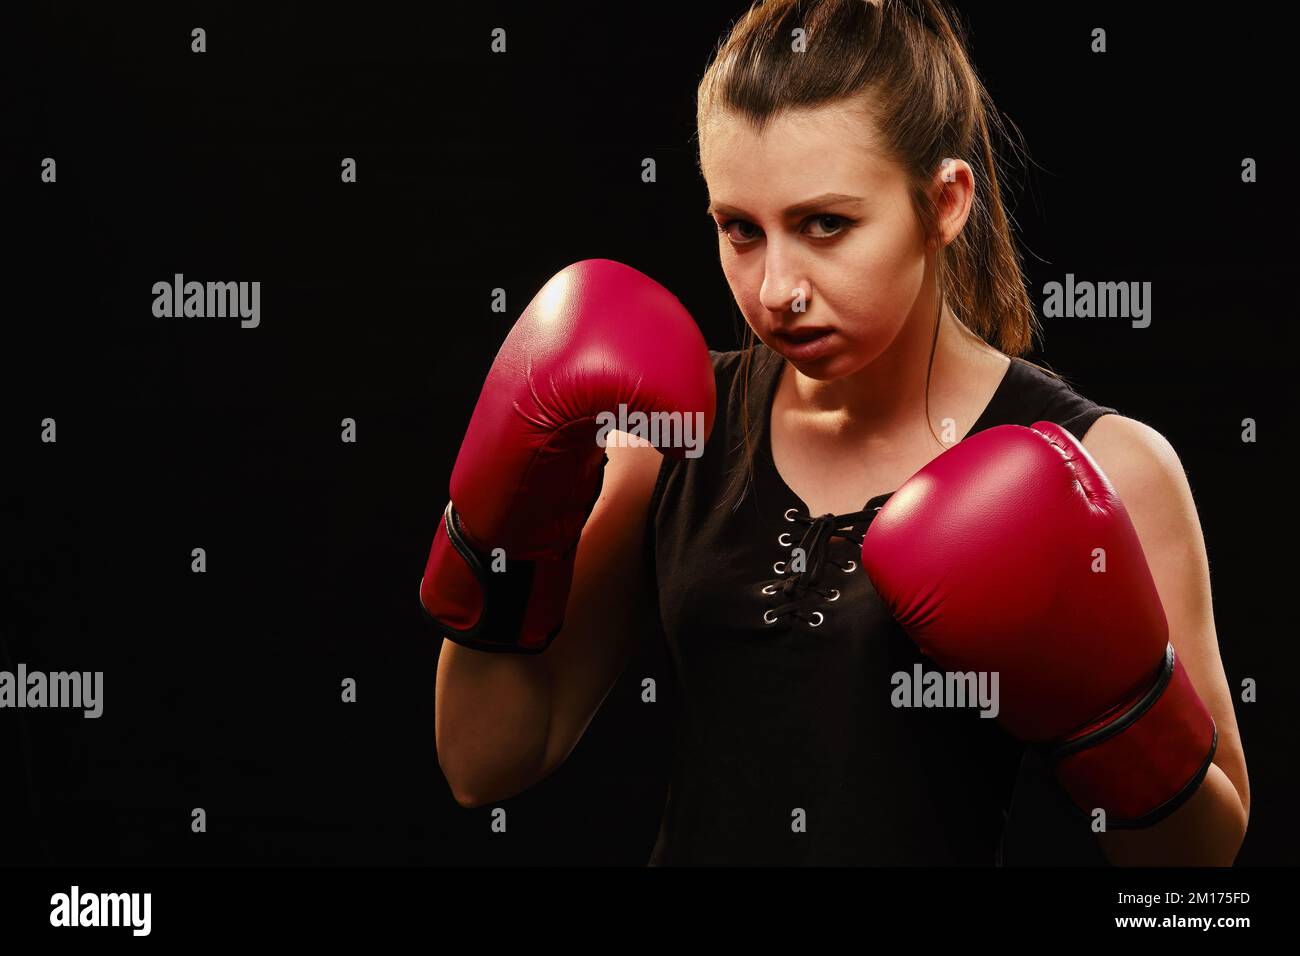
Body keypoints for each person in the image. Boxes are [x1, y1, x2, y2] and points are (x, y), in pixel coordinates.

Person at [423, 0, 1249, 866]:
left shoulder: (1104, 466)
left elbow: (1199, 867)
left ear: (945, 202)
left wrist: (1116, 713)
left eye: (826, 224)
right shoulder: (671, 429)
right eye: (740, 230)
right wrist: (504, 522)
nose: (778, 287)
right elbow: (484, 764)